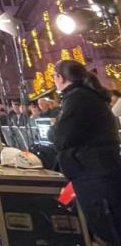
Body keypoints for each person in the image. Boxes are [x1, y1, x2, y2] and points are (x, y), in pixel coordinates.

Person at [51, 60, 121, 244]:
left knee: (109, 228)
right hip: (94, 171)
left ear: (60, 77)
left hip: (95, 174)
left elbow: (61, 137)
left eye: (54, 76)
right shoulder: (83, 96)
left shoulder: (78, 98)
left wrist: (54, 128)